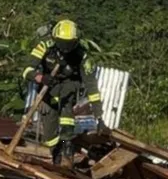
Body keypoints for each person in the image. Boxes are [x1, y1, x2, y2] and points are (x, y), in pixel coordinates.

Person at [22, 19, 107, 167]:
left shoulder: (82, 56)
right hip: (48, 88)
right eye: (62, 43)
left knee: (67, 104)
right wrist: (41, 78)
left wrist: (99, 117)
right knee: (49, 133)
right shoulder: (44, 47)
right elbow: (27, 70)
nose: (65, 48)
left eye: (69, 44)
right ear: (55, 39)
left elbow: (91, 86)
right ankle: (56, 151)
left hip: (69, 87)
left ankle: (67, 144)